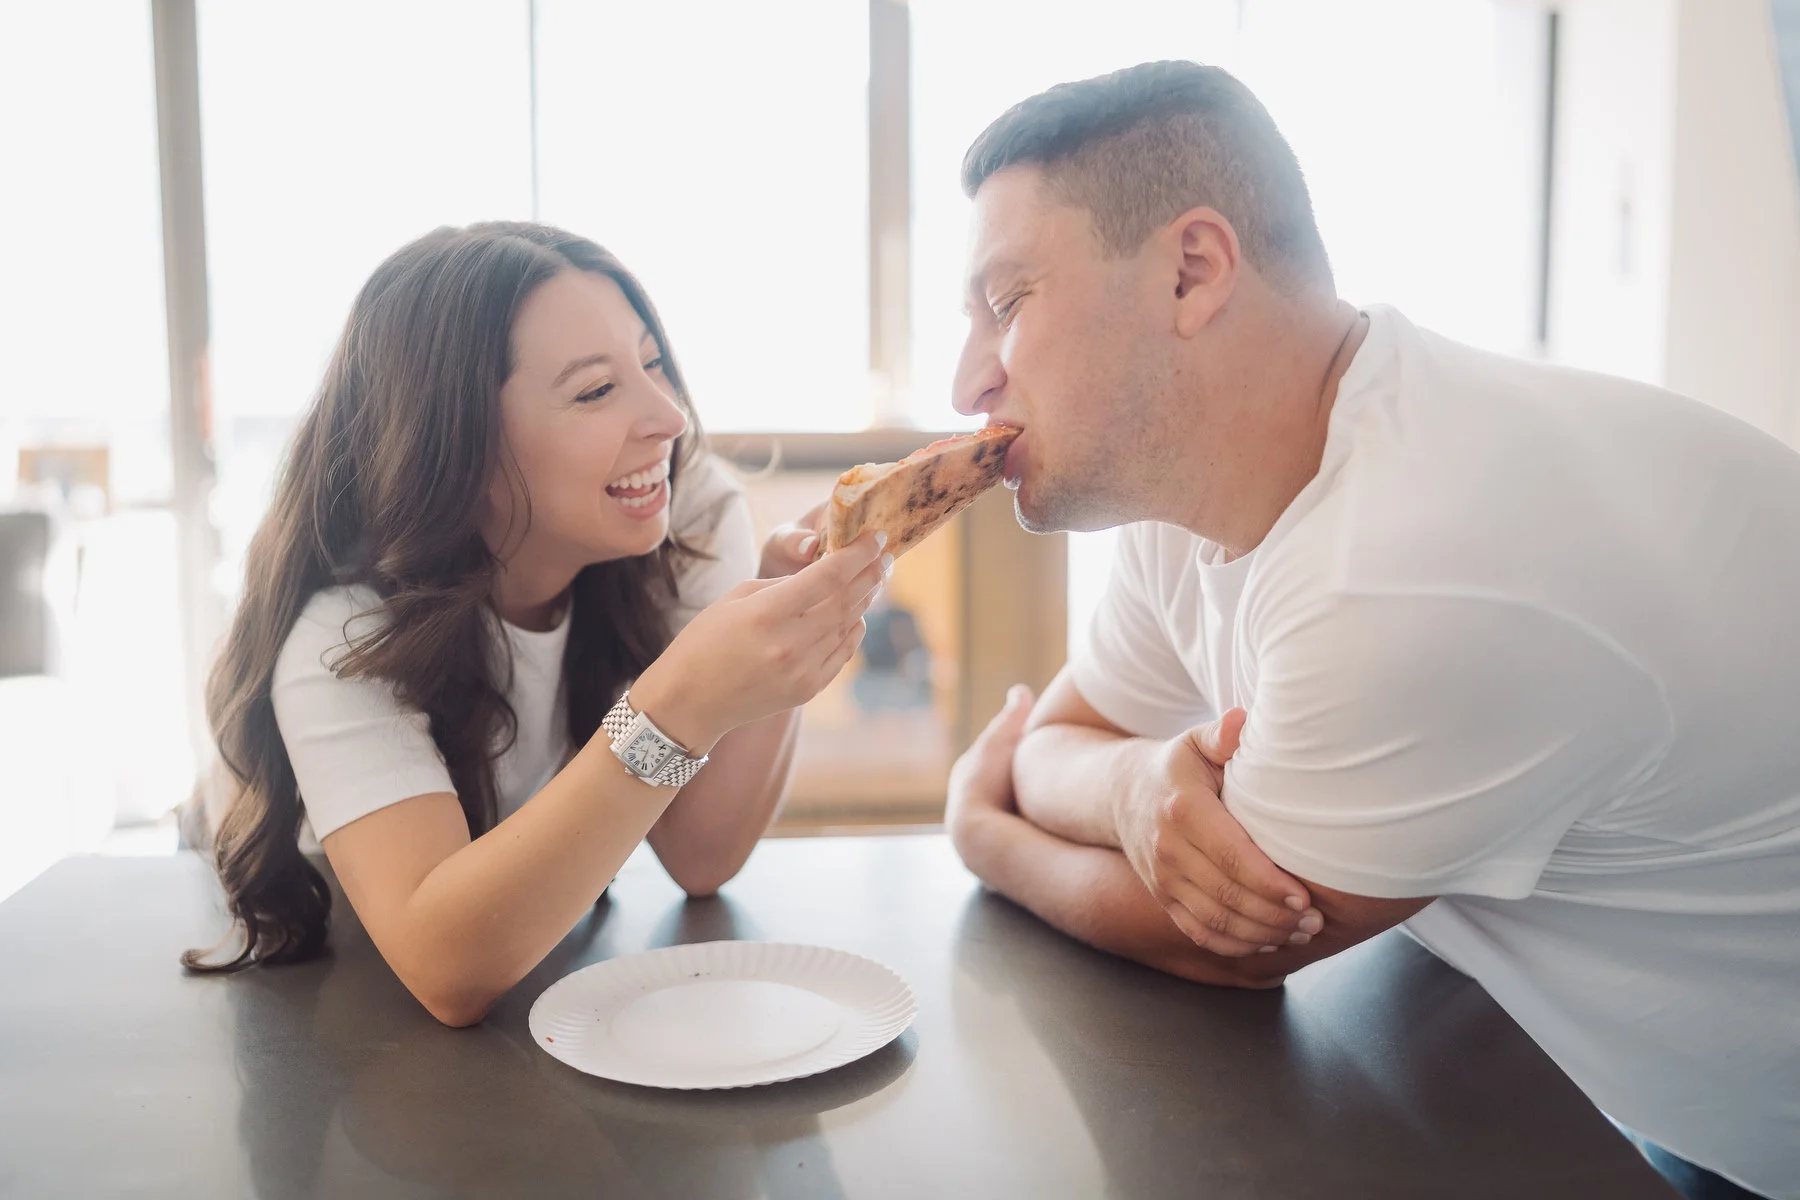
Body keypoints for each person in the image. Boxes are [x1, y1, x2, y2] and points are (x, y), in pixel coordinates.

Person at [941, 62, 1799, 1200]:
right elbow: (1060, 739)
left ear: (1193, 271)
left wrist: (982, 832)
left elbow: (1229, 939)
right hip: (1636, 1081)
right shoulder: (1191, 499)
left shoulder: (1411, 566)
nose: (967, 383)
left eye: (1007, 305)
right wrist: (1136, 788)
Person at [185, 222, 888, 1028]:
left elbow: (702, 856)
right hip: (314, 979)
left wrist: (787, 630)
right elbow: (445, 966)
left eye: (652, 364)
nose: (668, 418)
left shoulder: (686, 517)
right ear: (456, 444)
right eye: (596, 391)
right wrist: (677, 702)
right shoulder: (344, 637)